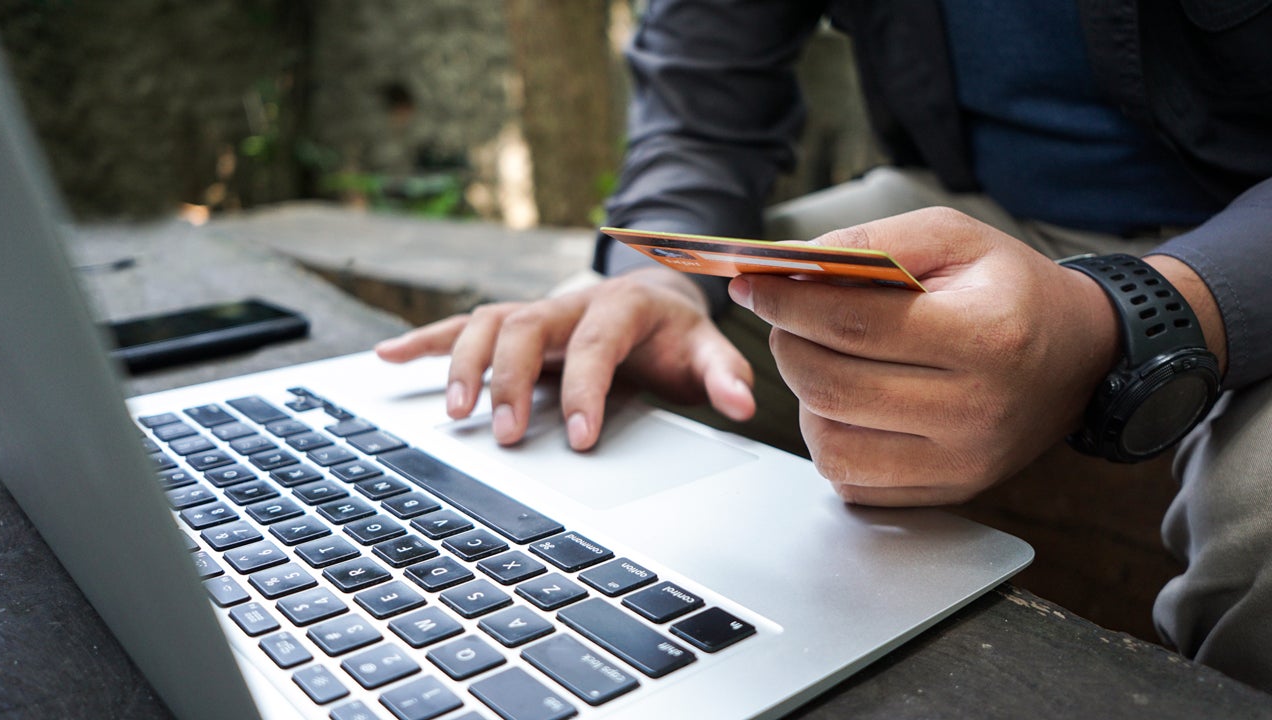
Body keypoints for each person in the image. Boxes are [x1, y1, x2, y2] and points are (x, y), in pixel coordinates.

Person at [375, 1, 1272, 693]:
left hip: (1243, 236)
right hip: (963, 206)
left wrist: (1140, 314)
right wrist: (653, 282)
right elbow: (698, 103)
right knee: (602, 371)